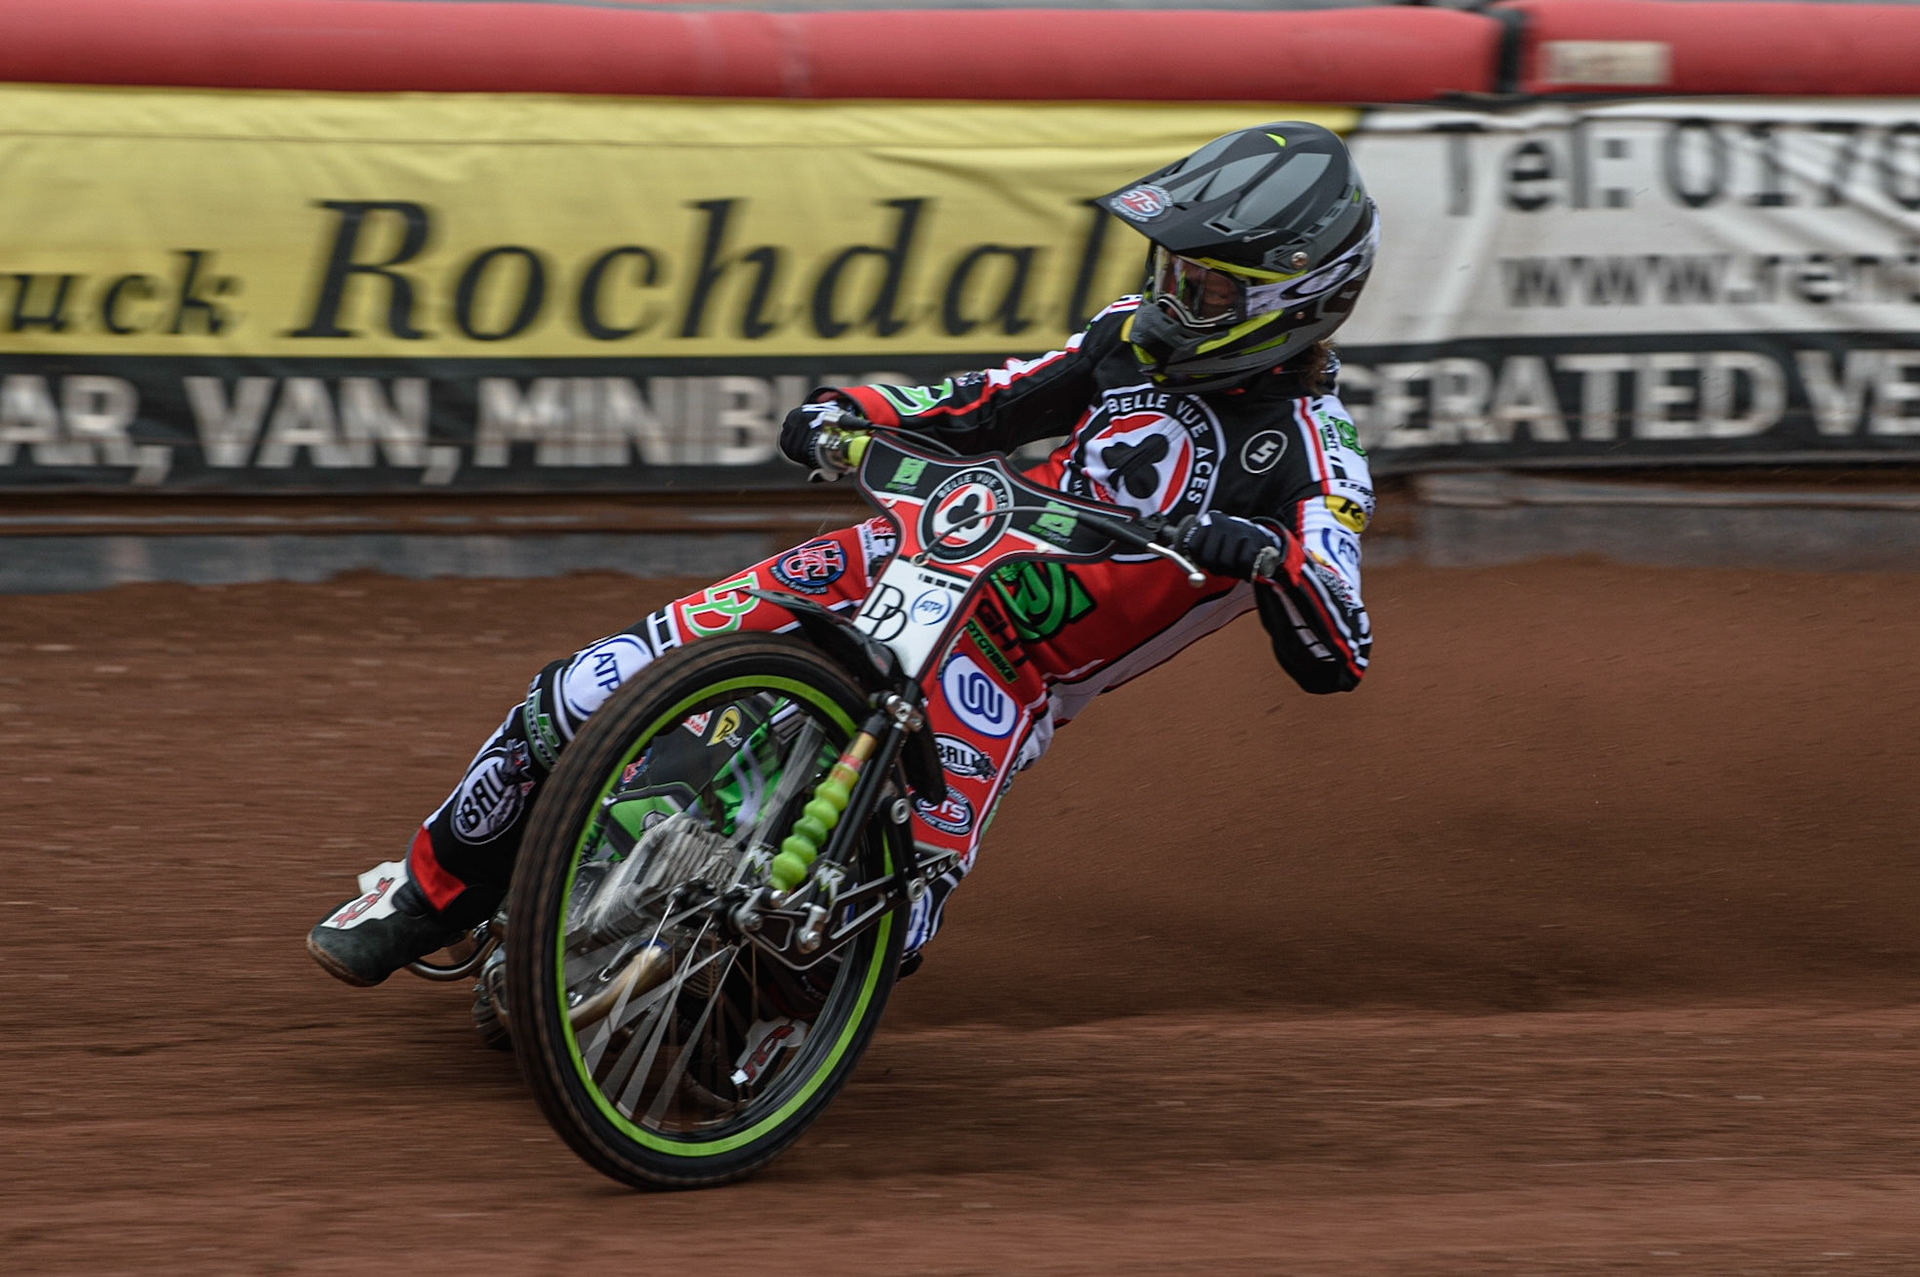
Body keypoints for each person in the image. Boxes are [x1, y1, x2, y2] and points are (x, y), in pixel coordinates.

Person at [307, 120, 1379, 987]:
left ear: (1296, 299)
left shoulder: (1320, 466)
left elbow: (1340, 644)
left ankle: (735, 1024)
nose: (1169, 297)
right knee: (583, 690)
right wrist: (848, 411)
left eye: (1205, 287)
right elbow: (974, 405)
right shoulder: (1122, 341)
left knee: (884, 925)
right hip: (904, 551)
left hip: (1005, 668)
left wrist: (1276, 564)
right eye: (1168, 269)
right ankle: (422, 891)